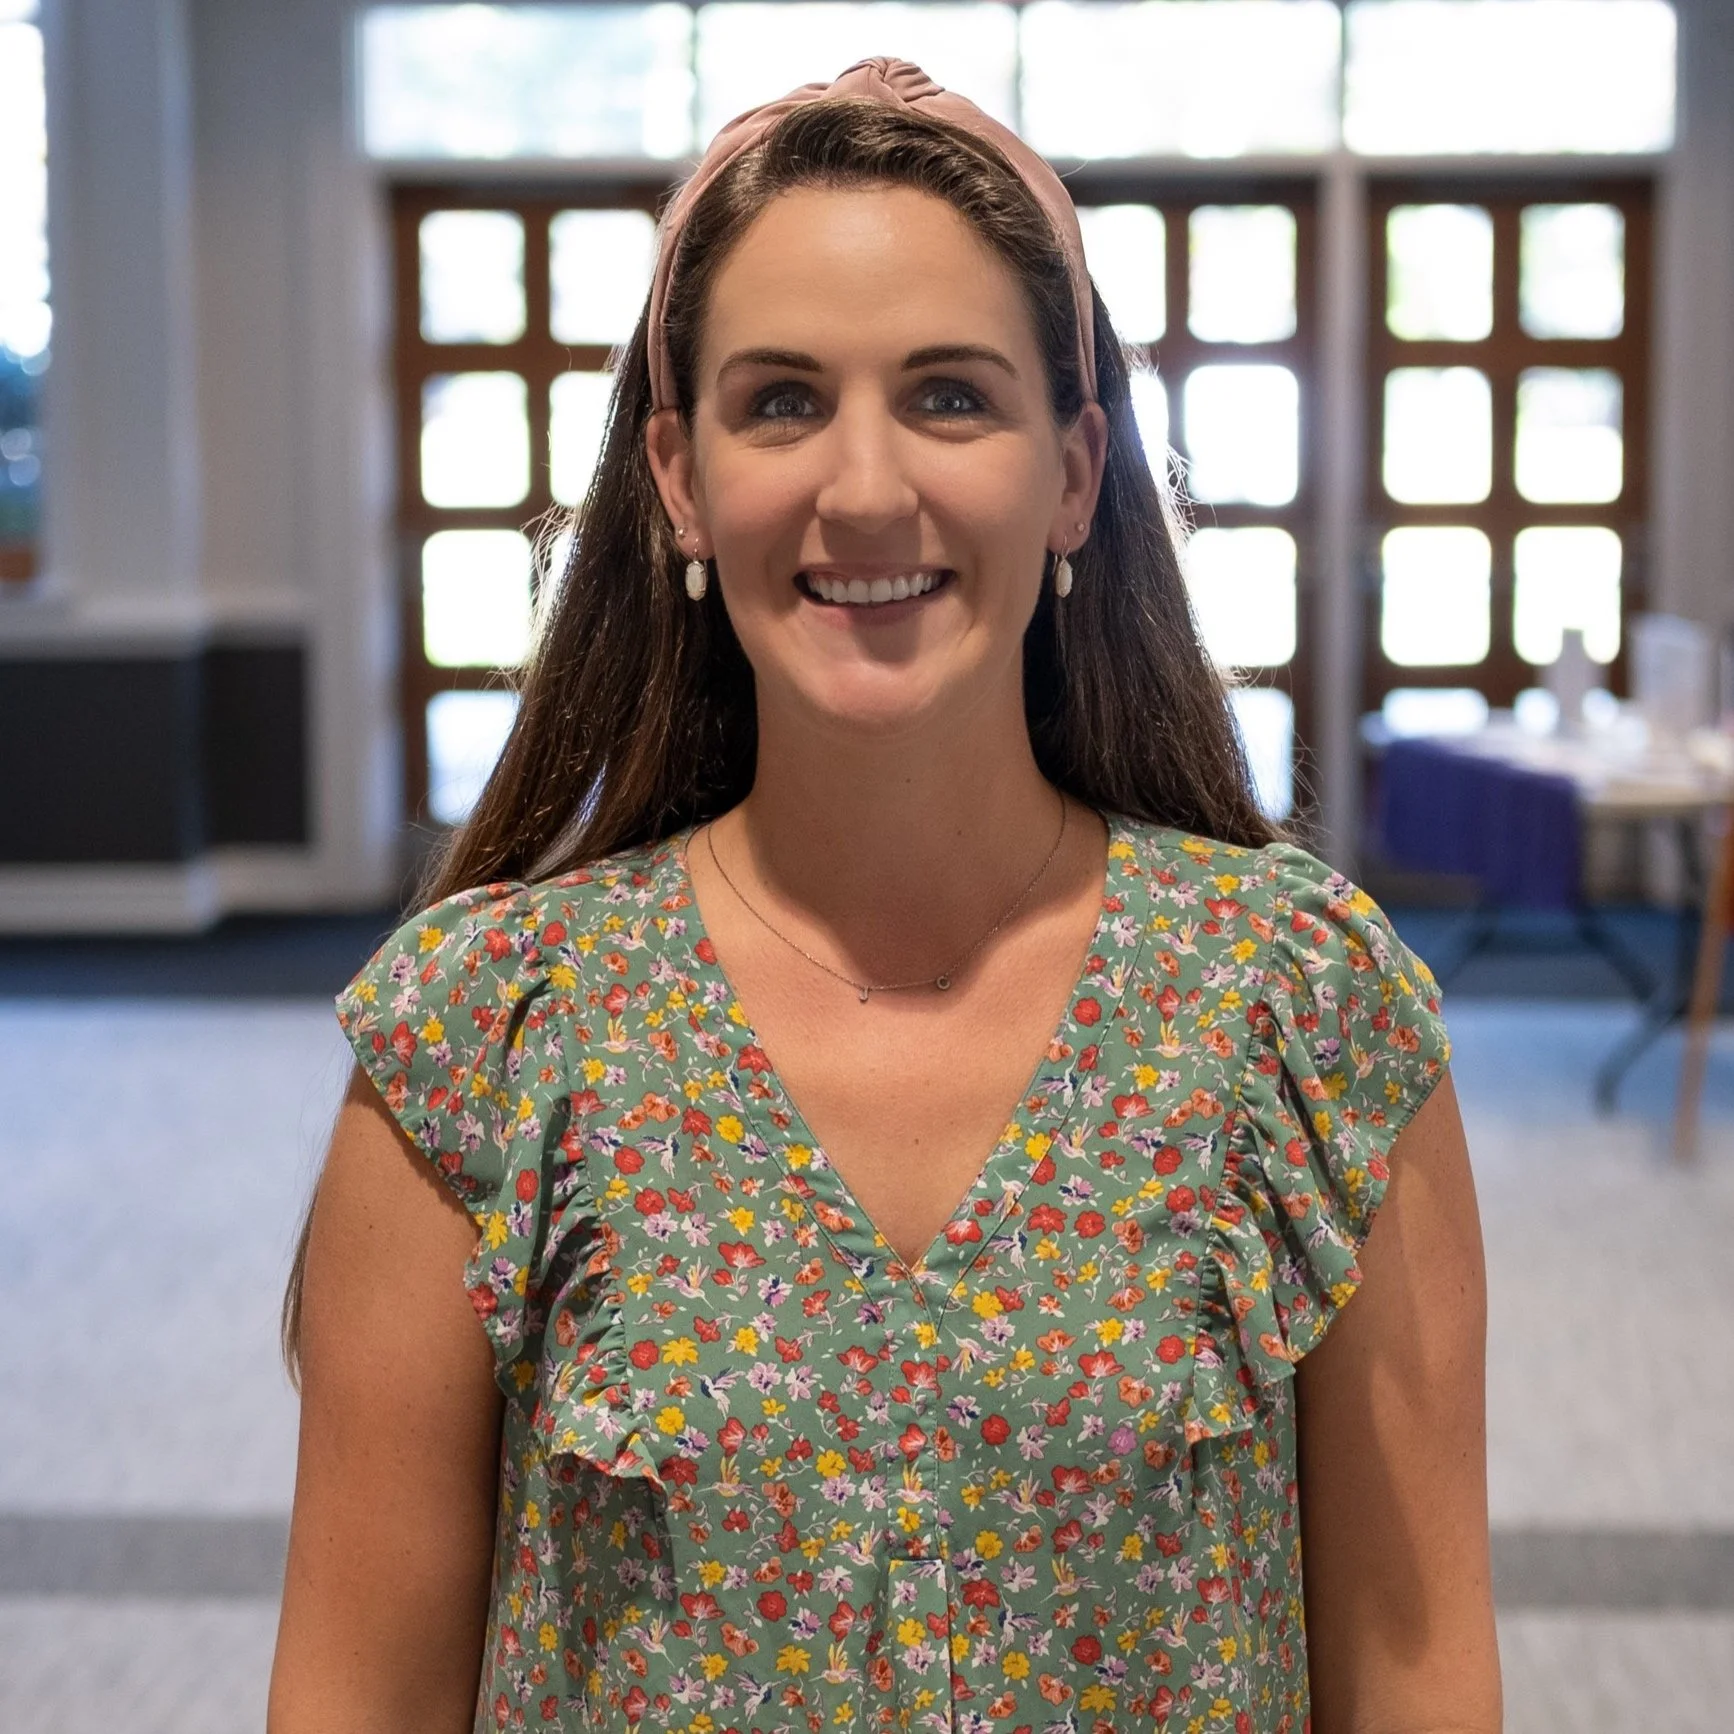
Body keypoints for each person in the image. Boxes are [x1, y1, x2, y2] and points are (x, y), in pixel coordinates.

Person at [268, 59, 1500, 1734]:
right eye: (780, 401)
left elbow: (1417, 1676)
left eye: (949, 397)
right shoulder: (485, 1040)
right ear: (679, 477)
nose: (862, 488)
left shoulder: (1300, 1017)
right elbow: (353, 1697)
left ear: (1073, 474)